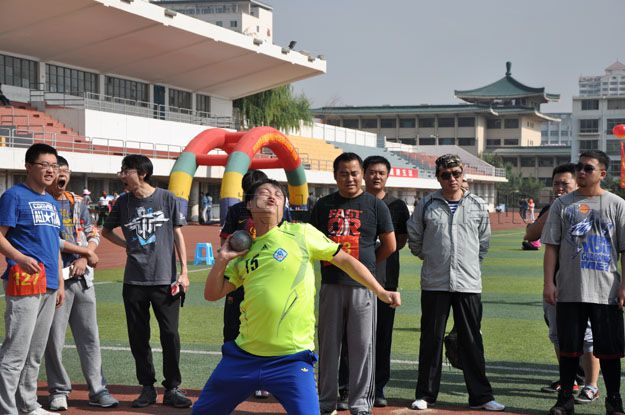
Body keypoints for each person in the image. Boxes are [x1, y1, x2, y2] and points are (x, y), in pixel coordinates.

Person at [192, 179, 401, 414]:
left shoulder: (301, 233)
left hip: (291, 360)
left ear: (284, 206)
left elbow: (346, 261)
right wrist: (222, 259)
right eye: (264, 192)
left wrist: (380, 290)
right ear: (249, 204)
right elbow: (212, 294)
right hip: (243, 357)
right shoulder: (244, 252)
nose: (272, 196)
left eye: (278, 195)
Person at [407, 154, 504, 412]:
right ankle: (426, 395)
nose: (452, 179)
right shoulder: (426, 204)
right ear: (438, 177)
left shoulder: (477, 205)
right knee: (431, 340)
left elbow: (483, 242)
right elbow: (415, 237)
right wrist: (432, 257)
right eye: (446, 175)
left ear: (463, 175)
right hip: (435, 283)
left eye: (456, 173)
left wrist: (468, 263)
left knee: (471, 341)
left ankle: (481, 396)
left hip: (468, 283)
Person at [101, 154, 192, 409]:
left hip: (165, 280)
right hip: (134, 281)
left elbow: (177, 234)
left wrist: (184, 271)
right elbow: (106, 231)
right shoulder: (123, 202)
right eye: (121, 171)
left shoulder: (167, 198)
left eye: (126, 171)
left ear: (141, 173)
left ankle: (172, 388)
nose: (122, 175)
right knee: (138, 336)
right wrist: (126, 245)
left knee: (170, 334)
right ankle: (147, 387)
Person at [310, 152, 396, 415]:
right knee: (328, 346)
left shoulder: (375, 205)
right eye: (344, 173)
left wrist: (364, 268)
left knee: (362, 347)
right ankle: (326, 402)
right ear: (335, 176)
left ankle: (360, 404)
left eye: (354, 173)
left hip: (363, 288)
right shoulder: (323, 205)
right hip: (331, 284)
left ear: (361, 175)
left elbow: (390, 245)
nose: (350, 178)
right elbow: (311, 243)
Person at [542, 150, 625, 415]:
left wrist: (624, 286)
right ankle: (565, 400)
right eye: (580, 167)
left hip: (606, 291)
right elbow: (551, 247)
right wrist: (548, 283)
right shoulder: (562, 204)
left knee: (610, 352)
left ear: (602, 174)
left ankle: (614, 401)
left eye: (588, 168)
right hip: (570, 290)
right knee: (569, 350)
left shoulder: (617, 204)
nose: (581, 172)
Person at [43, 156, 119, 410]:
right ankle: (58, 390)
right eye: (57, 170)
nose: (62, 175)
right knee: (54, 339)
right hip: (56, 280)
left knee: (90, 336)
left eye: (65, 170)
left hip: (83, 279)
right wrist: (85, 252)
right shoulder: (42, 203)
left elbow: (92, 232)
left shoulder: (78, 202)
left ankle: (98, 389)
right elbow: (52, 240)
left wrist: (86, 256)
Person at [525, 163, 601, 403]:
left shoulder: (592, 206)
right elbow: (531, 235)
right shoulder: (552, 208)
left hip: (586, 282)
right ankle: (569, 378)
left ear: (577, 182)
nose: (559, 187)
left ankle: (591, 385)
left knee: (587, 336)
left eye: (564, 184)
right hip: (558, 282)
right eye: (556, 183)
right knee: (557, 334)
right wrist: (553, 209)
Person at [0, 143, 64, 415]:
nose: (50, 170)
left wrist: (60, 283)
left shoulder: (52, 202)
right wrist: (19, 257)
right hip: (24, 281)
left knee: (35, 352)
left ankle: (28, 404)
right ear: (28, 167)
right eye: (44, 165)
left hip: (50, 283)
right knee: (15, 351)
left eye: (54, 166)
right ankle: (7, 408)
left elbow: (54, 245)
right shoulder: (14, 196)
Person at [363, 155, 410, 407]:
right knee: (353, 337)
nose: (376, 176)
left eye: (381, 172)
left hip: (387, 277)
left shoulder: (397, 206)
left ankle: (379, 386)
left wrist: (377, 253)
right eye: (372, 172)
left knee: (382, 336)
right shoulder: (354, 203)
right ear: (364, 174)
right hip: (355, 278)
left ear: (387, 176)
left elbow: (400, 240)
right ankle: (348, 386)